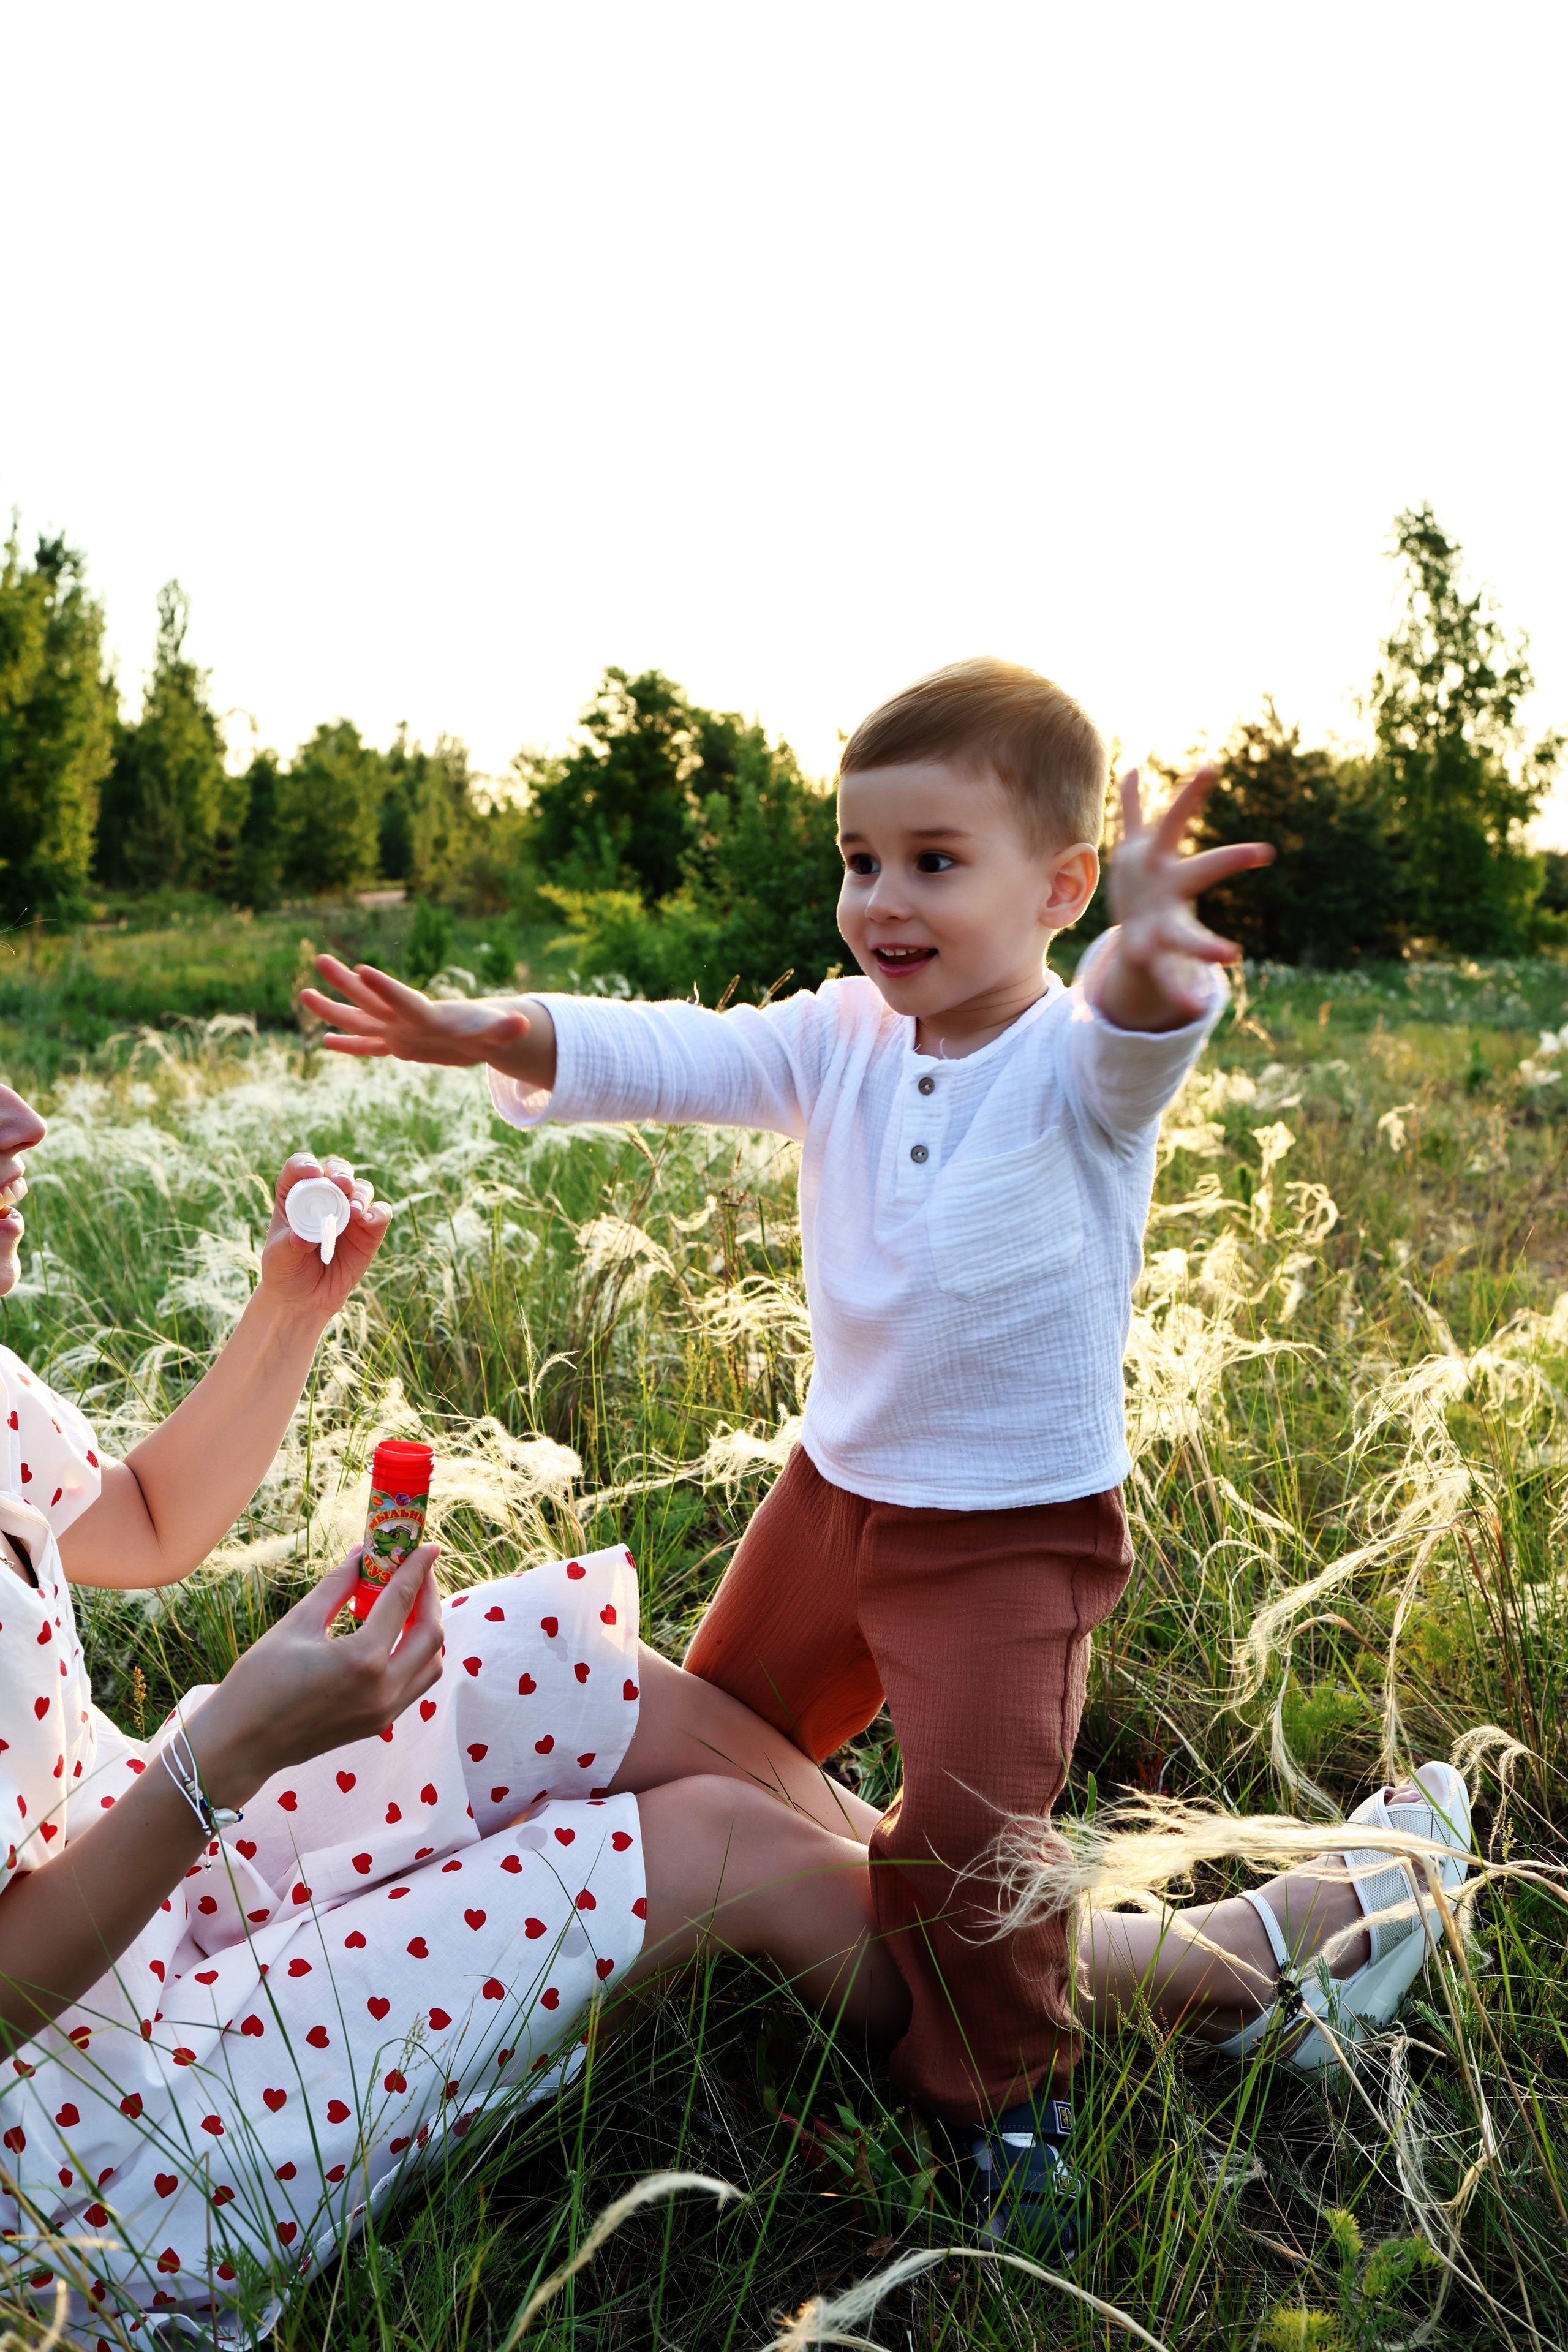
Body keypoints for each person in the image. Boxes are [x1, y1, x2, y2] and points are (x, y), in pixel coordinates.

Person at [0, 1078, 1472, 2343]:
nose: (24, 1120)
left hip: (149, 1878)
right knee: (705, 1848)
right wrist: (225, 1752)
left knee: (545, 1668)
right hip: (89, 2122)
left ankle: (1018, 1947)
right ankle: (1228, 1988)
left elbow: (137, 1519)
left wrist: (286, 1312)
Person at [301, 654, 1280, 2244]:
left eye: (935, 864)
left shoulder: (1074, 1071)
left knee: (975, 1849)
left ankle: (1006, 2091)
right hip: (837, 1497)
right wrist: (497, 1032)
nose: (882, 899)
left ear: (1064, 885)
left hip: (1005, 1540)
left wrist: (1155, 957)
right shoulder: (840, 1035)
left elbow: (1136, 1029)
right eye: (860, 860)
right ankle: (736, 1922)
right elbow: (686, 1051)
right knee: (726, 1721)